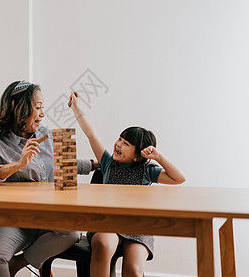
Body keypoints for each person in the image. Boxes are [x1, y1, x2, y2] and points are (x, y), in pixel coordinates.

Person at [0, 81, 94, 277]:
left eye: (43, 107)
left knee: (71, 232)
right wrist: (18, 164)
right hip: (17, 220)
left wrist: (95, 164)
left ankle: (18, 263)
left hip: (50, 218)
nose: (42, 113)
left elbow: (66, 164)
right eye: (38, 107)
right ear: (17, 108)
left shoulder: (48, 135)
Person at [69, 91, 186, 277]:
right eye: (120, 140)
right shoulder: (108, 162)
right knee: (102, 243)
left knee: (133, 269)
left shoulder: (147, 170)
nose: (119, 144)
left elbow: (178, 178)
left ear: (138, 155)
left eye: (126, 144)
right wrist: (76, 108)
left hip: (137, 227)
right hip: (107, 223)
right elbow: (91, 135)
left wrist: (159, 157)